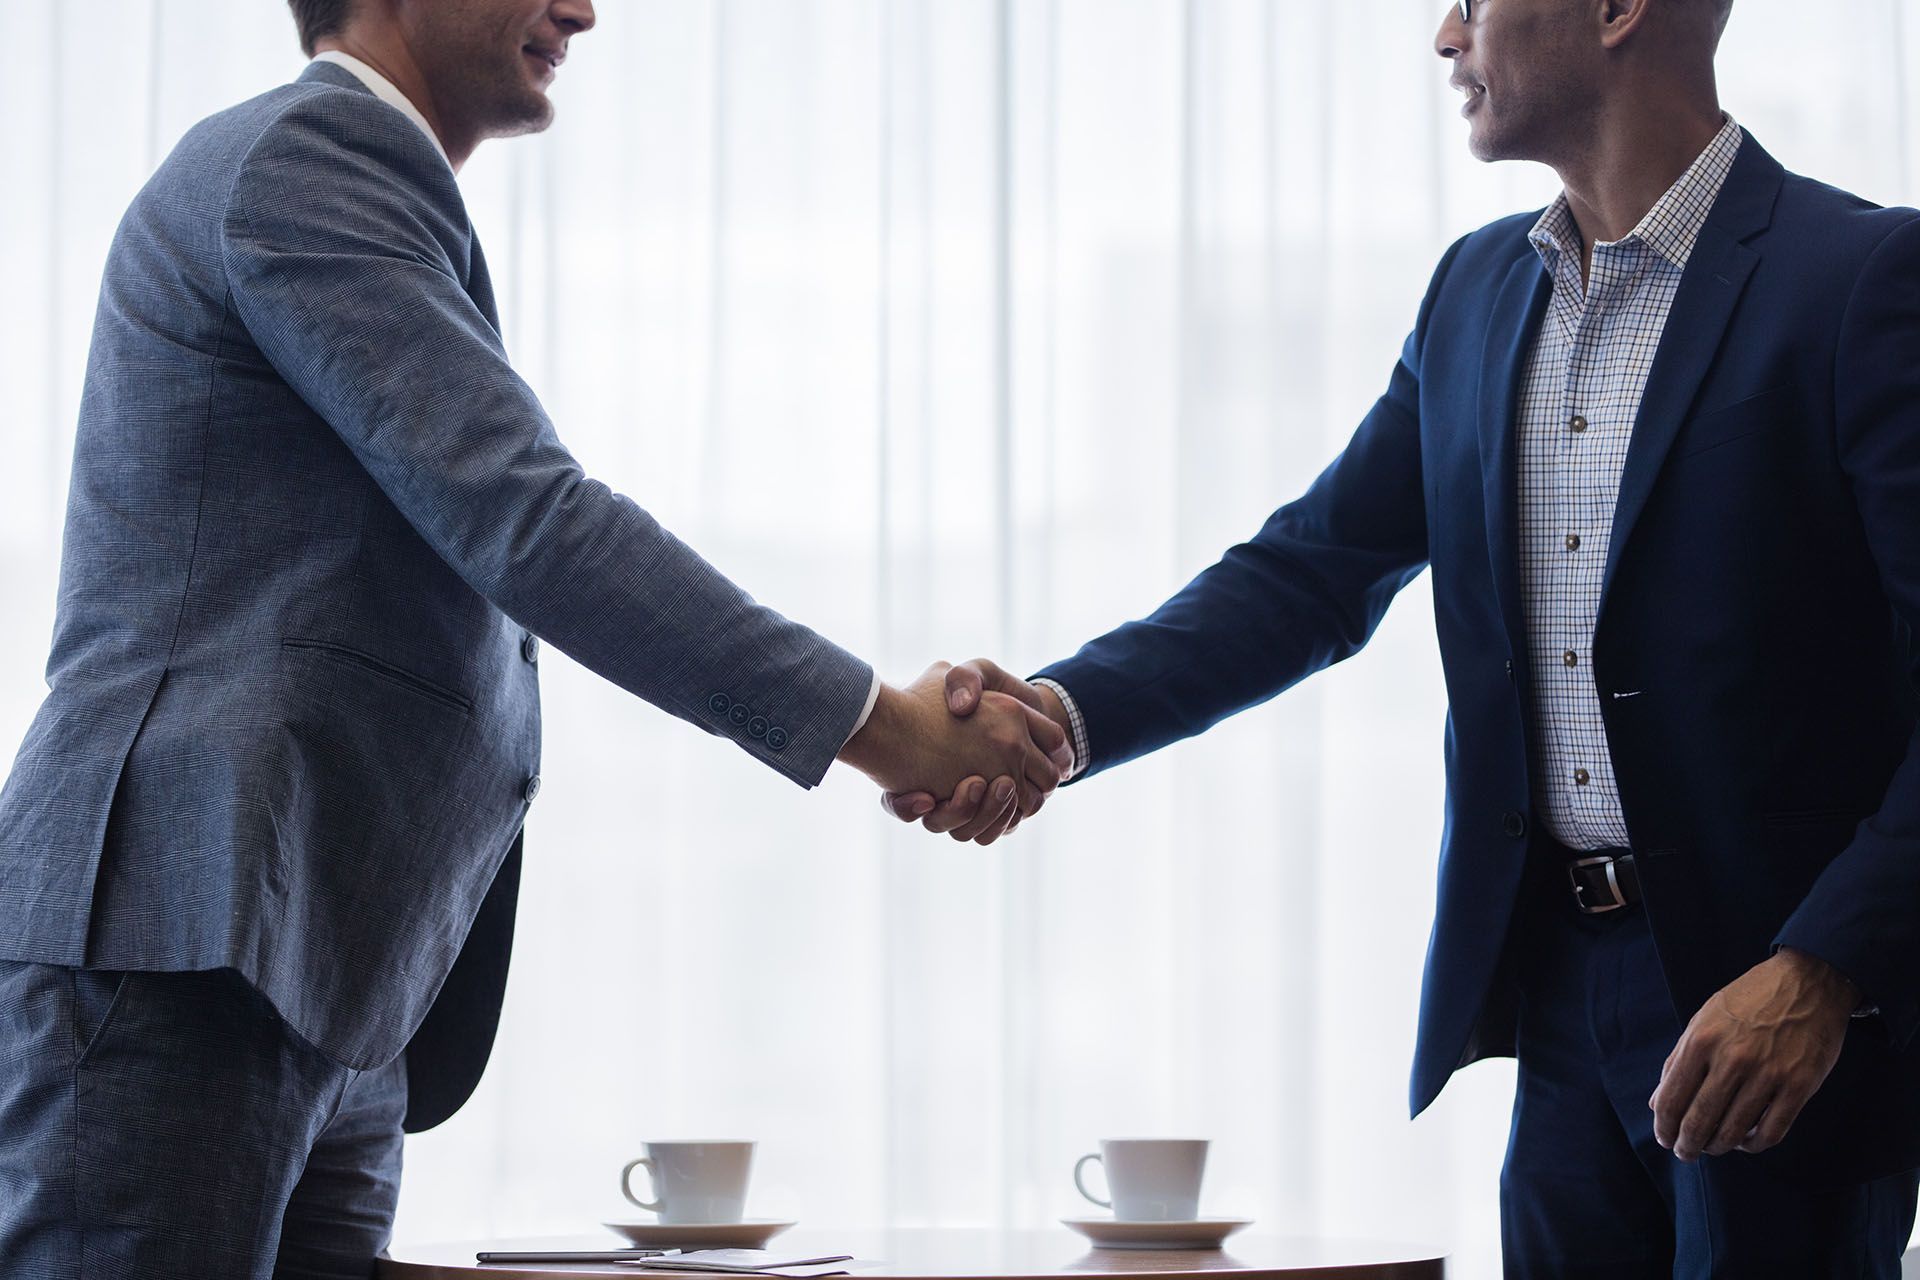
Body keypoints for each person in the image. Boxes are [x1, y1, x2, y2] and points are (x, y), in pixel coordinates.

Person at [0, 2, 1070, 1277]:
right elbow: (533, 521)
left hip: (312, 976)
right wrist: (888, 728)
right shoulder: (305, 159)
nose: (581, 6)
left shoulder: (361, 185)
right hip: (181, 938)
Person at [890, 0, 1920, 1273]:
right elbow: (1308, 574)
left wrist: (1826, 967)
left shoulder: (1862, 278)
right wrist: (1057, 715)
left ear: (1614, 12)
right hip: (1559, 996)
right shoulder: (1476, 292)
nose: (1446, 37)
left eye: (1474, 3)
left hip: (1769, 1016)